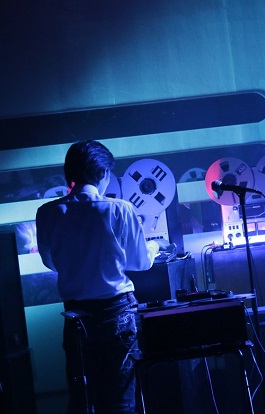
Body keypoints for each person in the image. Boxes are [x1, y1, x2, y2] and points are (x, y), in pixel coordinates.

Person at [36, 140, 159, 414]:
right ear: (103, 172)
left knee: (83, 398)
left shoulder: (47, 213)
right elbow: (139, 262)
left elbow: (51, 263)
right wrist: (154, 246)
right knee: (121, 399)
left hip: (76, 317)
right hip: (117, 312)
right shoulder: (120, 209)